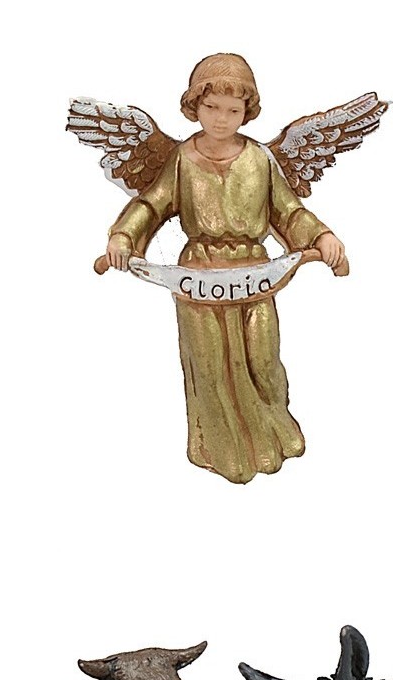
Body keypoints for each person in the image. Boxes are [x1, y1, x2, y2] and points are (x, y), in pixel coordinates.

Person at [104, 53, 346, 485]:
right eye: (211, 107)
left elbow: (289, 212)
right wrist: (124, 237)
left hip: (255, 273)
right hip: (199, 275)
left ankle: (275, 437)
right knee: (210, 365)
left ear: (247, 111)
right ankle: (220, 448)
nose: (221, 118)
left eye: (233, 110)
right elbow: (151, 204)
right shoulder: (182, 158)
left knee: (263, 360)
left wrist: (322, 235)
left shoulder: (260, 160)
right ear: (194, 106)